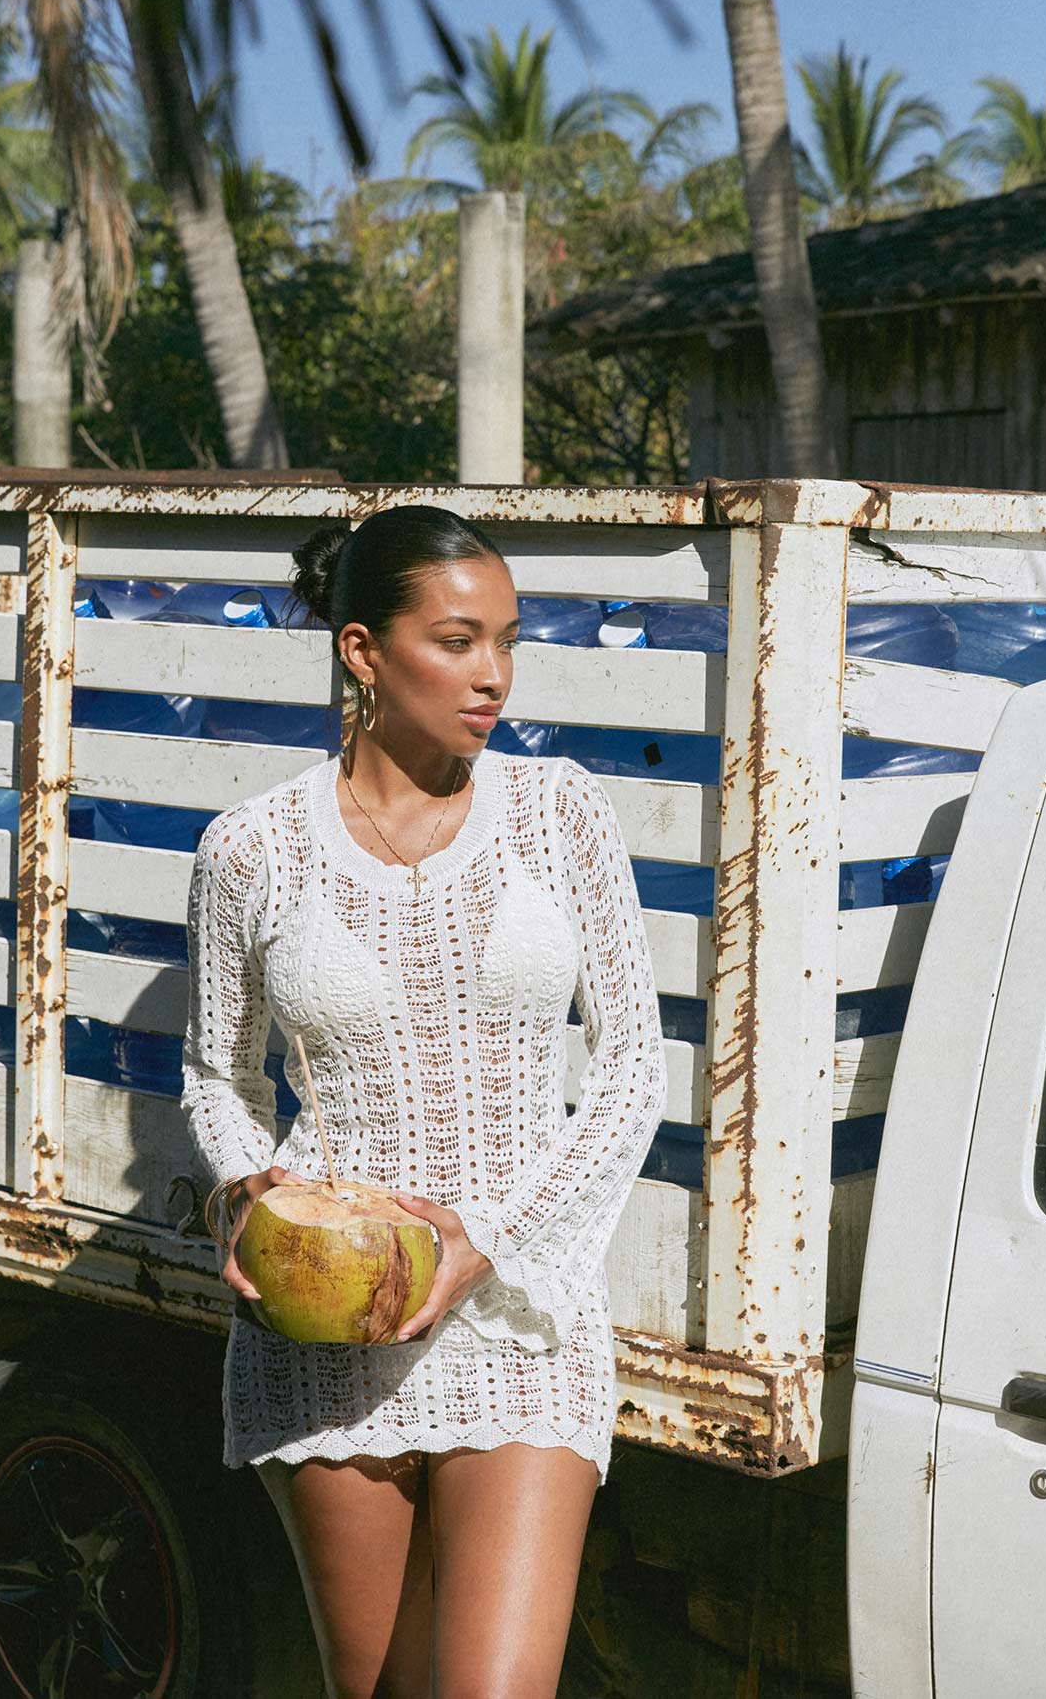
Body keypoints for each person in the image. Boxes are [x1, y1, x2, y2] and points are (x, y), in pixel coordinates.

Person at [181, 503, 668, 1699]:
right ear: (362, 650)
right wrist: (244, 1187)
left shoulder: (559, 812)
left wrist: (482, 1239)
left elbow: (630, 1069)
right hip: (328, 1329)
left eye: (506, 638)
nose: (492, 673)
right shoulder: (252, 848)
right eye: (456, 639)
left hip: (520, 1310)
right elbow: (218, 1074)